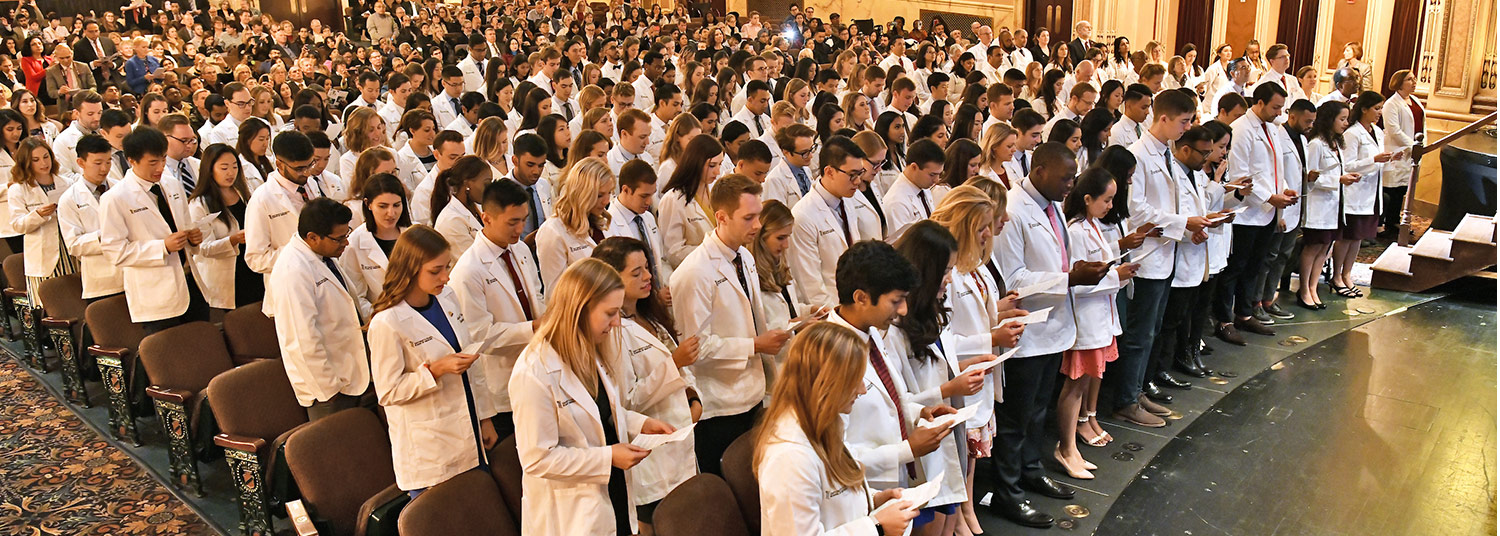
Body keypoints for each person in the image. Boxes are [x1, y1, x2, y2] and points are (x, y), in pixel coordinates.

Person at [511, 257, 675, 535]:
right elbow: (537, 458)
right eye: (610, 313)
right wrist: (607, 458)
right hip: (571, 513)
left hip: (610, 492)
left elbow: (599, 412)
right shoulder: (533, 372)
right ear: (579, 309)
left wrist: (638, 423)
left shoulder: (588, 346)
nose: (617, 323)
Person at [992, 142, 1110, 528]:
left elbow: (1055, 256)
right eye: (1065, 177)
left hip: (1055, 326)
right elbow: (1012, 280)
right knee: (1016, 418)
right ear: (1039, 171)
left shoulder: (1053, 204)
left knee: (1037, 412)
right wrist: (1070, 277)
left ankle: (1030, 470)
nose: (1071, 185)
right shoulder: (1013, 210)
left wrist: (1075, 269)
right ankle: (1007, 492)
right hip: (1026, 332)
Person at [669, 174, 788, 475]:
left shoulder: (744, 257)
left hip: (753, 393)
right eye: (748, 217)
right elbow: (696, 347)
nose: (758, 225)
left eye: (758, 215)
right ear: (720, 217)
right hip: (719, 404)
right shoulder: (694, 273)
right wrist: (755, 345)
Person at [368, 225, 499, 495]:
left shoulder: (447, 298)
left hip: (469, 431)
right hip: (430, 450)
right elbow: (389, 391)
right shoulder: (387, 322)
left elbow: (470, 361)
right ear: (410, 269)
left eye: (447, 267)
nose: (446, 277)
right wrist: (435, 370)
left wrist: (485, 417)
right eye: (435, 271)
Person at [754, 322, 919, 536]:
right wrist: (876, 527)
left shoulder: (824, 423)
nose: (861, 390)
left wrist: (874, 500)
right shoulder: (790, 457)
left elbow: (833, 499)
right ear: (827, 383)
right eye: (854, 380)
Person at [829, 239, 956, 501]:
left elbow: (888, 398)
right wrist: (907, 450)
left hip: (891, 479)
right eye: (896, 301)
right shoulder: (828, 356)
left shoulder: (872, 332)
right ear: (861, 298)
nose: (903, 310)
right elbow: (834, 453)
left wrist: (920, 411)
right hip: (858, 490)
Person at [591, 237, 700, 533]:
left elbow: (680, 369)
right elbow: (625, 401)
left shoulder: (649, 316)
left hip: (680, 438)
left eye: (647, 268)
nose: (649, 276)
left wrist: (693, 397)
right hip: (652, 457)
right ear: (611, 278)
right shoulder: (613, 332)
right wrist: (673, 365)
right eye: (636, 272)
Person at [1056, 167, 1136, 480]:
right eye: (1106, 200)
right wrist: (1116, 276)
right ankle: (1066, 447)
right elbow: (1078, 281)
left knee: (1088, 381)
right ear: (1087, 199)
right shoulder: (1076, 231)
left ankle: (1072, 443)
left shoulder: (1092, 226)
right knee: (1074, 386)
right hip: (1085, 320)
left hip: (1101, 317)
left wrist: (1118, 270)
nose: (1111, 206)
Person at [268, 198, 371, 420]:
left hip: (350, 371)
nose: (346, 243)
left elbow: (344, 299)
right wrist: (329, 390)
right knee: (335, 449)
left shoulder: (323, 256)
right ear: (312, 237)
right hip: (329, 389)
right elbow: (301, 339)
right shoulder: (293, 272)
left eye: (347, 234)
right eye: (339, 239)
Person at [99, 126, 208, 333]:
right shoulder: (115, 198)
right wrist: (162, 247)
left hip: (190, 282)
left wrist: (193, 238)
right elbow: (115, 252)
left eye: (164, 159)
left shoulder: (172, 184)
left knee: (201, 344)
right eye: (152, 162)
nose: (160, 167)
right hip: (155, 293)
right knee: (169, 354)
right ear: (132, 160)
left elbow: (184, 225)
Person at [1219, 83, 1298, 341]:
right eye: (1275, 107)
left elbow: (1276, 169)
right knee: (1235, 268)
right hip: (1245, 212)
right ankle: (1223, 319)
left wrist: (1284, 190)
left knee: (1255, 266)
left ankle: (1245, 314)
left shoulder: (1273, 129)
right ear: (1260, 102)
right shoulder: (1241, 129)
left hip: (1267, 211)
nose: (1279, 113)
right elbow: (1241, 175)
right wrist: (1269, 197)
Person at [789, 137, 870, 308]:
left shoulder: (847, 198)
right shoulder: (803, 215)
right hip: (832, 311)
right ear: (830, 172)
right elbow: (810, 285)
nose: (857, 181)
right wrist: (836, 318)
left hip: (857, 302)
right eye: (852, 175)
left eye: (860, 173)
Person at [1333, 91, 1395, 297]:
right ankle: (1336, 275)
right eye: (1376, 108)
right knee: (1347, 236)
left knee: (1358, 238)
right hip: (1354, 193)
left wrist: (1388, 159)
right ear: (1364, 109)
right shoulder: (1352, 133)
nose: (1379, 112)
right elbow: (1348, 164)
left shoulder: (1377, 132)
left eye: (1381, 108)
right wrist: (1374, 160)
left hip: (1370, 193)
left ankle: (1347, 274)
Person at [188, 143, 260, 310]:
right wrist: (233, 240)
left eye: (234, 167)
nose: (230, 173)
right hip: (229, 273)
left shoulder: (243, 191)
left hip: (253, 264)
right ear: (210, 169)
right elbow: (203, 249)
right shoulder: (199, 204)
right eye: (224, 167)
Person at [9, 136, 77, 309]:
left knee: (74, 300)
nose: (43, 163)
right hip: (43, 253)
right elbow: (18, 224)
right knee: (50, 305)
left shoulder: (67, 183)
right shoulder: (19, 189)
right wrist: (38, 215)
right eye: (36, 160)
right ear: (26, 162)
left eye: (46, 157)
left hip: (69, 248)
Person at [1300, 101, 1356, 310]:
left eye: (1346, 119)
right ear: (1329, 119)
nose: (1345, 123)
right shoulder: (1316, 144)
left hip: (1332, 206)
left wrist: (1344, 177)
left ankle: (1313, 287)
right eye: (1342, 119)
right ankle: (1304, 288)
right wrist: (1338, 180)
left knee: (1324, 248)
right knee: (1313, 247)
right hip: (1317, 206)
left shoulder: (1335, 143)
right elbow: (1310, 177)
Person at [537, 157, 613, 288]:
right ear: (582, 193)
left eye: (609, 193)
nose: (606, 201)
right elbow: (556, 291)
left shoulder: (600, 220)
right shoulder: (553, 232)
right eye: (599, 195)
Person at [341, 173, 410, 313]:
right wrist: (383, 318)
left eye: (396, 205)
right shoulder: (354, 244)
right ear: (368, 204)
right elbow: (356, 297)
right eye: (383, 206)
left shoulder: (415, 233)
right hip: (383, 320)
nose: (391, 213)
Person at [657, 135, 723, 270]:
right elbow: (673, 252)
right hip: (694, 272)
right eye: (712, 166)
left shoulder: (715, 189)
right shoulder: (673, 200)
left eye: (720, 164)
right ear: (695, 162)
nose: (718, 171)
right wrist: (713, 251)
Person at [605, 160, 671, 287]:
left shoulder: (648, 217)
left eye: (651, 195)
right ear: (625, 190)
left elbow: (660, 260)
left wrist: (668, 285)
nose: (649, 202)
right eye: (643, 196)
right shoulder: (609, 225)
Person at [1380, 70, 1422, 237]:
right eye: (1409, 79)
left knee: (1404, 187)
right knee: (1392, 189)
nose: (1414, 82)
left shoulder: (1415, 101)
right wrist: (1413, 145)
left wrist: (1421, 146)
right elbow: (1394, 130)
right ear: (1399, 83)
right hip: (1397, 151)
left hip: (1412, 152)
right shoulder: (1391, 104)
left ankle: (1395, 220)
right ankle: (1387, 223)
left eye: (1414, 79)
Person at [883, 138, 946, 242]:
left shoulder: (923, 187)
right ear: (914, 167)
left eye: (939, 174)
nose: (936, 180)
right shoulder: (896, 202)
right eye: (932, 175)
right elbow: (901, 245)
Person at [431, 155, 492, 256]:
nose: (489, 189)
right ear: (467, 183)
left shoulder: (477, 208)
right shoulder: (451, 221)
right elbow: (472, 261)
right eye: (486, 184)